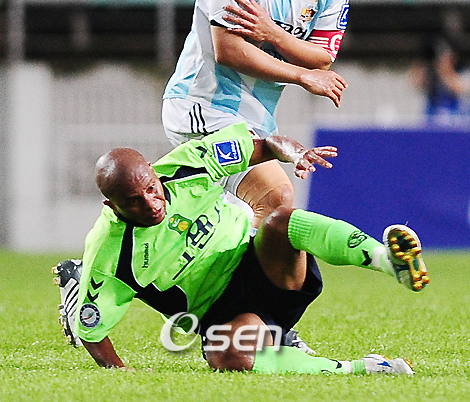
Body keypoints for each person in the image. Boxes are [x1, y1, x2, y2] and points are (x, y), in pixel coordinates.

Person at [53, 123, 429, 375]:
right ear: (111, 205)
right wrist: (120, 372)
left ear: (153, 170)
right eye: (133, 201)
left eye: (151, 189)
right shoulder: (109, 251)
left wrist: (294, 153)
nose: (151, 203)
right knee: (227, 355)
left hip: (263, 268)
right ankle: (362, 367)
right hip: (225, 314)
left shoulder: (186, 165)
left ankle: (388, 261)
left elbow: (262, 144)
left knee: (281, 221)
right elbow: (91, 332)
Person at [162, 0, 350, 229]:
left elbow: (322, 57)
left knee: (239, 221)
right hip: (203, 106)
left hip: (255, 119)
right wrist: (301, 75)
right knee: (275, 199)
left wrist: (273, 34)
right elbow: (228, 50)